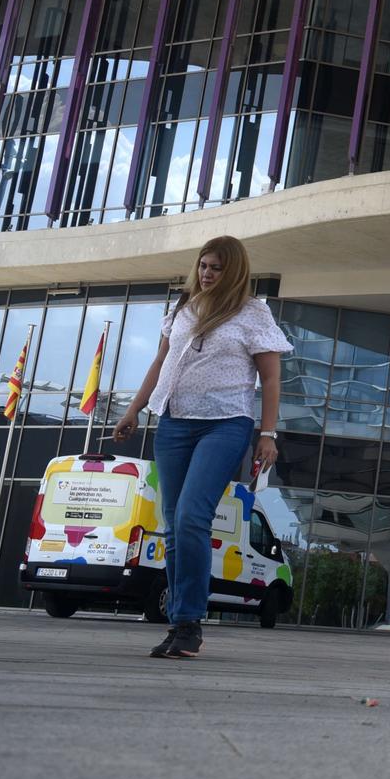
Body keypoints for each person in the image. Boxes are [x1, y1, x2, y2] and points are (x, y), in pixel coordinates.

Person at [114, 235, 291, 660]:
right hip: (174, 423)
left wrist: (268, 434)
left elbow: (269, 379)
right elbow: (160, 362)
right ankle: (178, 623)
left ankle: (190, 621)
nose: (207, 274)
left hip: (225, 425)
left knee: (193, 516)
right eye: (203, 266)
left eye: (216, 268)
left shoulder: (253, 314)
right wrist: (134, 409)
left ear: (234, 271)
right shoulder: (182, 309)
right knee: (175, 526)